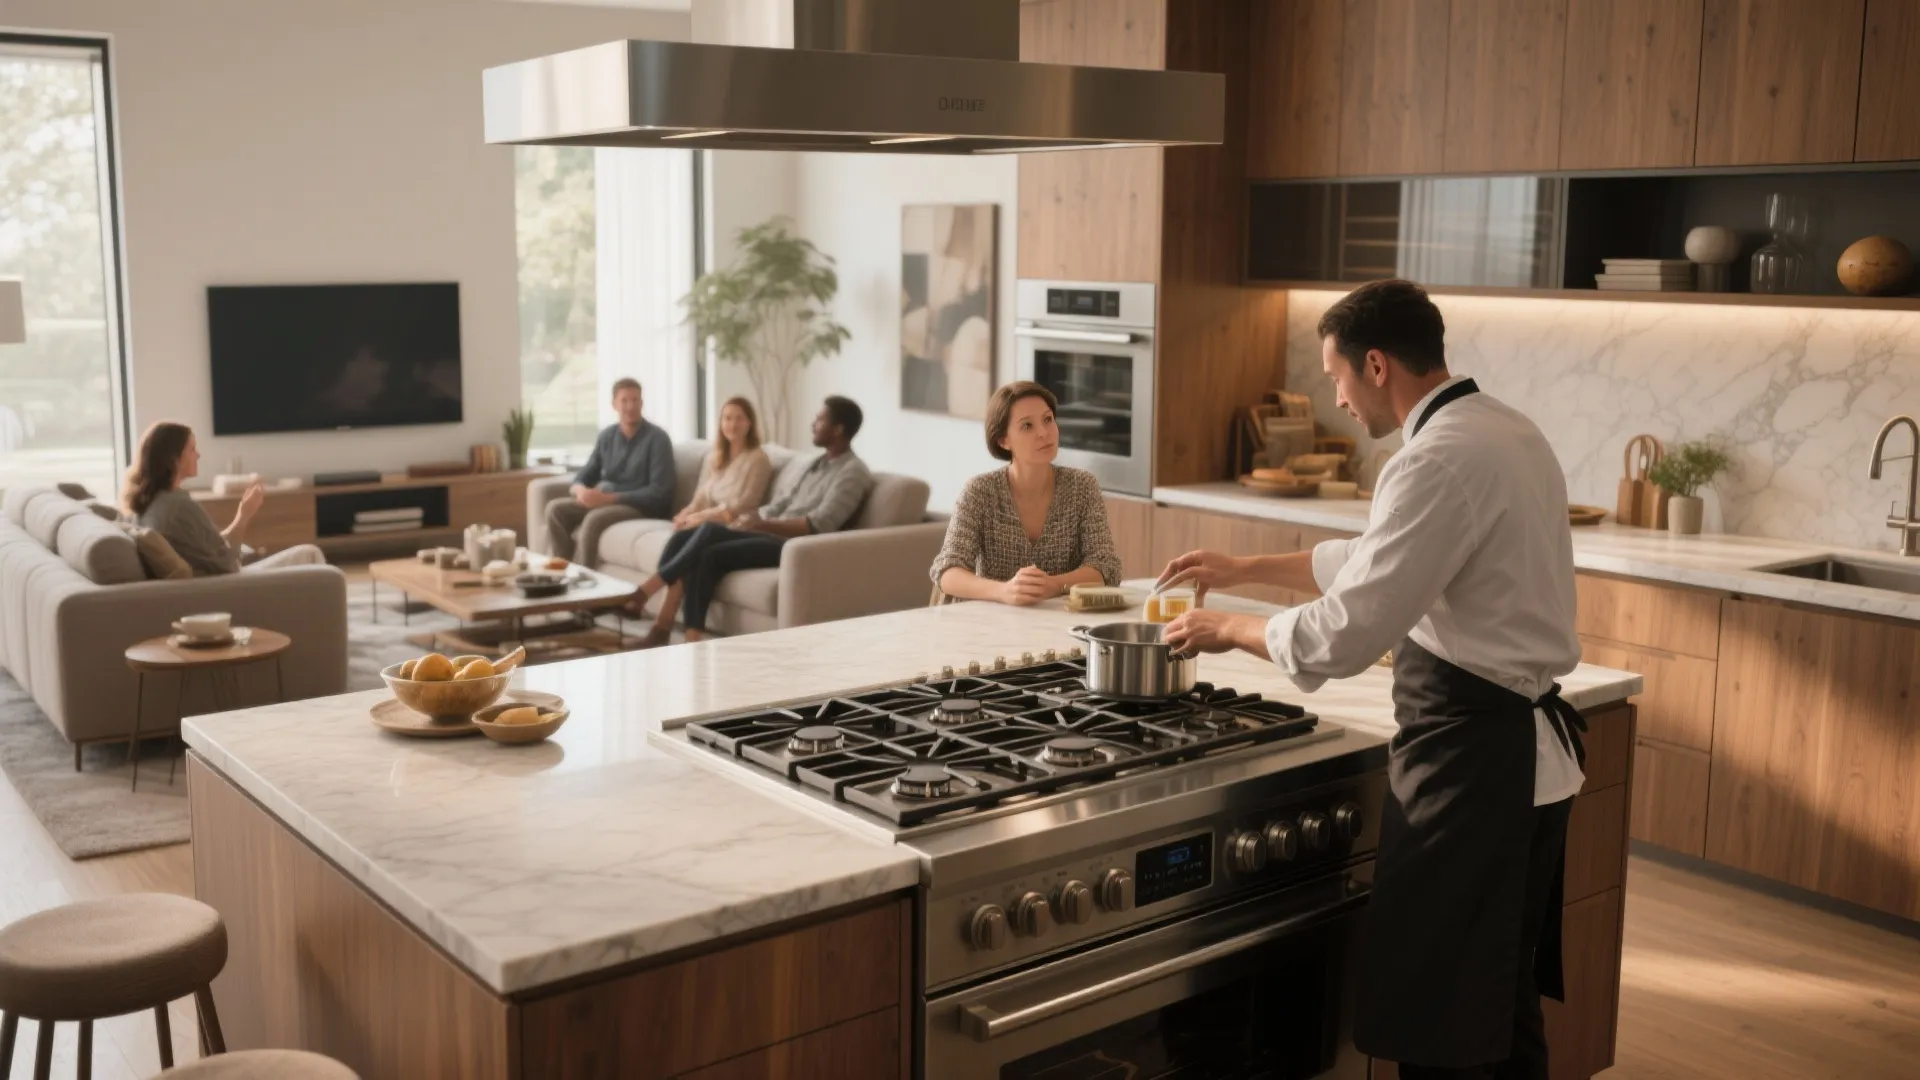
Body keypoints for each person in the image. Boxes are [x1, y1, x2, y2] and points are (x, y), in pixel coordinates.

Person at [1157, 279, 1585, 1080]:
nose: (1339, 397)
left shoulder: (1435, 459)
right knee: (1497, 1008)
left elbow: (1346, 632)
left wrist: (1228, 627)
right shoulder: (1502, 429)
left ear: (1377, 365)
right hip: (1524, 765)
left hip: (1475, 770)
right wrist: (1245, 566)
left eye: (1337, 376)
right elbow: (1383, 560)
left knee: (1446, 1027)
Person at [622, 396, 872, 642]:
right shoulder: (817, 463)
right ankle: (688, 637)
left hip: (794, 545)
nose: (813, 424)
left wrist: (760, 524)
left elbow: (819, 524)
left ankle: (647, 590)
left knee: (709, 530)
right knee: (692, 545)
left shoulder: (852, 472)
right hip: (770, 531)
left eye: (820, 420)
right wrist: (755, 516)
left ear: (838, 429)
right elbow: (783, 503)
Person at [930, 380, 1121, 605]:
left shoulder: (1083, 487)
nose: (1044, 433)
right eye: (1027, 426)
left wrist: (1053, 585)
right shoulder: (979, 492)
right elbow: (947, 571)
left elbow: (1105, 567)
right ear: (1003, 440)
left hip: (1060, 627)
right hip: (988, 627)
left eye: (1048, 420)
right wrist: (1004, 591)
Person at [633, 396, 776, 647]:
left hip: (736, 528)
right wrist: (685, 515)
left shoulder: (758, 459)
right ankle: (662, 627)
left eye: (739, 418)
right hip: (712, 525)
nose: (732, 424)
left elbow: (741, 505)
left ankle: (648, 591)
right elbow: (701, 497)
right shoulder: (717, 457)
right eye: (727, 418)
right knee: (679, 538)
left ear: (750, 423)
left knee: (705, 534)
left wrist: (699, 517)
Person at [124, 422, 326, 575]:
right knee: (310, 554)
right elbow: (229, 563)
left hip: (216, 580)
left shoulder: (149, 504)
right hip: (227, 584)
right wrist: (244, 516)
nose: (198, 455)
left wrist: (241, 514)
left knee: (252, 552)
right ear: (174, 459)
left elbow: (213, 549)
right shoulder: (180, 506)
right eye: (192, 449)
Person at [544, 377, 675, 564]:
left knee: (594, 519)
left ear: (642, 403)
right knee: (555, 509)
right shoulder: (607, 436)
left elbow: (659, 493)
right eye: (624, 400)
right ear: (614, 404)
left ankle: (584, 577)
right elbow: (585, 474)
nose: (630, 406)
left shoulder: (658, 439)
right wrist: (581, 491)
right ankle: (562, 569)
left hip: (642, 507)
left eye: (635, 400)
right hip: (606, 501)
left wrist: (607, 499)